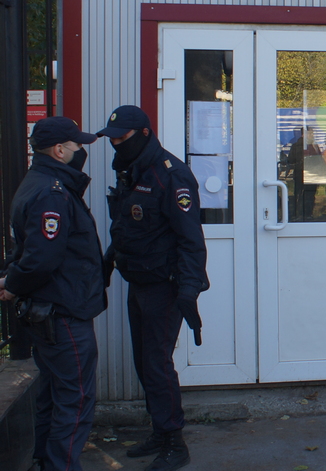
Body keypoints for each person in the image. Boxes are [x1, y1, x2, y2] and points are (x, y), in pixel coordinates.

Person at [98, 105, 209, 471]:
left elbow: (190, 239)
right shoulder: (133, 170)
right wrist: (108, 262)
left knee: (157, 365)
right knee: (143, 362)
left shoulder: (171, 175)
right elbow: (125, 225)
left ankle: (175, 443)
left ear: (144, 133)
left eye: (122, 138)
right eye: (112, 139)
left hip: (165, 285)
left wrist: (189, 290)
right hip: (139, 280)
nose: (116, 144)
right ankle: (160, 431)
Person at [0, 116, 106, 471]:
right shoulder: (52, 192)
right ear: (60, 151)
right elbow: (41, 258)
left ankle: (45, 462)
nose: (81, 151)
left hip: (52, 311)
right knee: (75, 399)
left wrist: (11, 282)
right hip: (63, 313)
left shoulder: (39, 182)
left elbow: (27, 250)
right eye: (77, 145)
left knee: (52, 394)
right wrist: (13, 284)